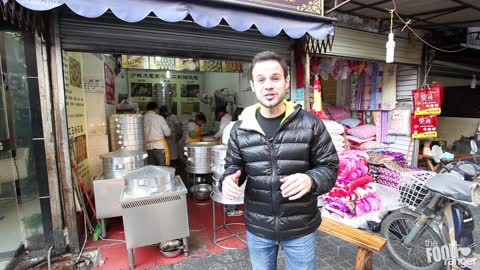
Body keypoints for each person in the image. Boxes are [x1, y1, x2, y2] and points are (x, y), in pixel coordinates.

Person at [220, 51, 339, 270]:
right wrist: (228, 179)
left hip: (300, 227)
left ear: (286, 82)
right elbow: (233, 166)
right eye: (261, 79)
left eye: (275, 78)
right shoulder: (240, 130)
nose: (268, 85)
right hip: (259, 227)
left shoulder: (310, 124)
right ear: (253, 86)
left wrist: (311, 179)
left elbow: (329, 167)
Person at [221, 107, 244, 217]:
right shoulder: (238, 127)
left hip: (225, 157)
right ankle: (231, 209)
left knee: (228, 183)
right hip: (232, 159)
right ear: (240, 116)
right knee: (232, 183)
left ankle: (228, 207)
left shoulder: (228, 126)